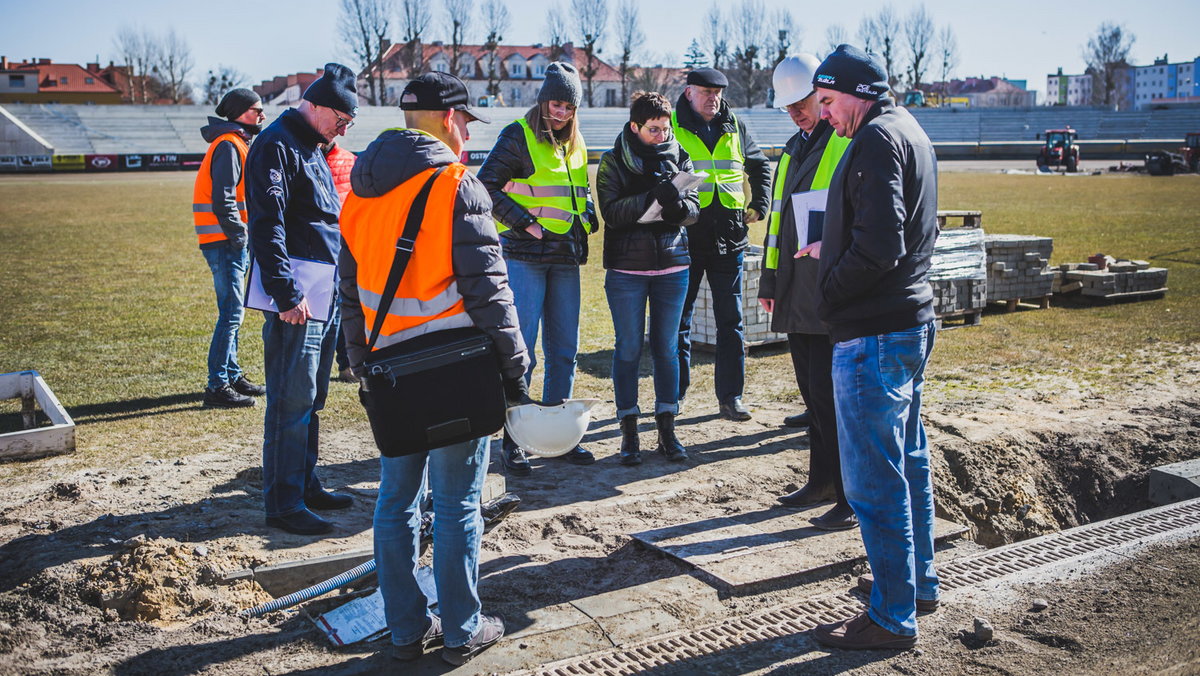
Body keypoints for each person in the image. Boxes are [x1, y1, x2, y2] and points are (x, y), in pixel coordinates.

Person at [338, 71, 529, 666]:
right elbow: (490, 293)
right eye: (466, 122)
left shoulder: (359, 191)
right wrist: (515, 368)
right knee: (455, 506)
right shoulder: (457, 185)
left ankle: (403, 628)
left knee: (394, 502)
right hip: (456, 370)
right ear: (450, 119)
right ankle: (461, 627)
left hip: (391, 373)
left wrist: (358, 360)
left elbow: (349, 291)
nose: (466, 134)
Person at [805, 45, 941, 650]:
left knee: (872, 481)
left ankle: (890, 616)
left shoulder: (876, 140)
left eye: (829, 100)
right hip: (907, 322)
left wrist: (831, 286)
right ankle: (916, 585)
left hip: (875, 333)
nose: (824, 114)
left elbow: (880, 244)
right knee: (908, 460)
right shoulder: (909, 129)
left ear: (858, 91)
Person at [245, 63, 358, 536]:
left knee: (312, 399)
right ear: (314, 106)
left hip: (322, 292)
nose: (343, 129)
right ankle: (285, 503)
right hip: (299, 298)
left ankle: (305, 483)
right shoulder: (275, 144)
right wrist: (286, 293)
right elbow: (266, 224)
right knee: (291, 402)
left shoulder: (310, 146)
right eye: (341, 119)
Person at [478, 62, 597, 474]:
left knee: (565, 351)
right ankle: (515, 440)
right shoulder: (518, 135)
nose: (561, 112)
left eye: (569, 106)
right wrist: (524, 223)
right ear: (543, 100)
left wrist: (589, 215)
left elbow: (577, 191)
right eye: (556, 103)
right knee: (520, 353)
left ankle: (560, 436)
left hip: (565, 258)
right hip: (526, 258)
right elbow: (485, 186)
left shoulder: (576, 142)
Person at [757, 55, 855, 530]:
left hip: (829, 287)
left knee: (832, 395)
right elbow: (777, 219)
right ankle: (821, 480)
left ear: (821, 94)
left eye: (801, 102)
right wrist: (769, 279)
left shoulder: (844, 142)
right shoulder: (795, 146)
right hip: (796, 287)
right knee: (812, 396)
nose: (795, 112)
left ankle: (847, 491)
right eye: (788, 106)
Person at [597, 91, 700, 465]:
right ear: (634, 127)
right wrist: (649, 199)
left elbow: (694, 210)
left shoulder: (680, 156)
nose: (661, 135)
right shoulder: (613, 161)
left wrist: (677, 205)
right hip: (627, 272)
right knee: (627, 349)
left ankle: (667, 429)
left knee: (667, 349)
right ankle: (628, 431)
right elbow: (611, 212)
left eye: (664, 128)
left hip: (674, 267)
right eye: (653, 129)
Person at [671, 68, 771, 421]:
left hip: (729, 238)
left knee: (731, 322)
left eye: (718, 92)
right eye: (706, 92)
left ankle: (731, 398)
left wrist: (760, 204)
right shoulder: (672, 126)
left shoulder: (736, 126)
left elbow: (760, 166)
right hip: (686, 236)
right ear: (689, 94)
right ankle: (675, 396)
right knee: (679, 321)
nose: (713, 98)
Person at [194, 88, 267, 408]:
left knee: (233, 312)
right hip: (225, 242)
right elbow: (224, 200)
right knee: (232, 313)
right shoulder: (229, 145)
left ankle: (232, 375)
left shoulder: (235, 143)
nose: (262, 115)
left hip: (228, 240)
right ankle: (217, 386)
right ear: (239, 113)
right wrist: (240, 237)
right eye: (256, 110)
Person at [322, 139, 359, 384]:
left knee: (347, 305)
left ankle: (347, 365)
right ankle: (320, 367)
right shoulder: (305, 157)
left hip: (348, 243)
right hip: (319, 245)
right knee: (325, 310)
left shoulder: (350, 159)